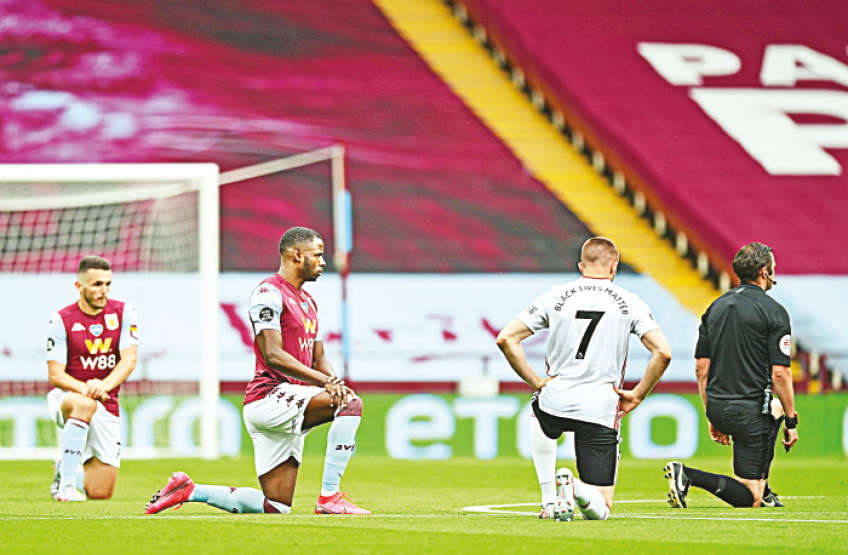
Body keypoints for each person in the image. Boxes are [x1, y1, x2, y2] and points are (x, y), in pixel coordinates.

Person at [146, 226, 369, 515]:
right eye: (318, 255)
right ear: (296, 255)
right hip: (270, 396)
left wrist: (334, 381)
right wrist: (327, 384)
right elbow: (273, 354)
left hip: (289, 400)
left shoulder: (309, 302)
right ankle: (330, 497)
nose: (323, 262)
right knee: (350, 404)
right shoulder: (269, 293)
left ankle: (189, 490)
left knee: (275, 506)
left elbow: (319, 356)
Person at [497, 237, 671, 521]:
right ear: (614, 266)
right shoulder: (630, 302)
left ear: (581, 266)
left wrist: (536, 381)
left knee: (538, 411)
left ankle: (548, 500)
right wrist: (638, 394)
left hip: (556, 399)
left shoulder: (555, 296)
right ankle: (574, 487)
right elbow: (663, 352)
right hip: (600, 407)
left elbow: (506, 338)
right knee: (600, 509)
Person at [665, 242, 798, 509]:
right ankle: (688, 475)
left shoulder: (715, 308)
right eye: (772, 267)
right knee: (750, 498)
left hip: (718, 406)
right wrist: (792, 420)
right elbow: (780, 373)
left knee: (775, 408)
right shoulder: (774, 311)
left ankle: (763, 486)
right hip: (750, 411)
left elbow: (701, 368)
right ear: (764, 272)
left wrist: (711, 413)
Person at [46, 255, 139, 502]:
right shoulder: (62, 319)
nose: (103, 290)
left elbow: (129, 360)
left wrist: (103, 386)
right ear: (80, 286)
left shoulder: (123, 312)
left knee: (100, 492)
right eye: (97, 284)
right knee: (84, 404)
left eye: (107, 284)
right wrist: (87, 389)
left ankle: (65, 468)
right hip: (68, 397)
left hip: (106, 401)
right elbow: (55, 375)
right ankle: (66, 487)